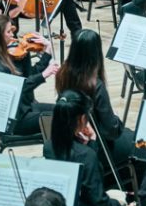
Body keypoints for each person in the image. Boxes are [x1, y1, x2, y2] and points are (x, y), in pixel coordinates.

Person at [43, 91, 138, 206]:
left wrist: (91, 142)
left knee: (118, 203)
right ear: (82, 119)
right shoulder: (86, 155)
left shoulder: (49, 146)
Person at [55, 30, 136, 169]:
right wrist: (116, 120)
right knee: (139, 144)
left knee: (129, 134)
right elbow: (111, 131)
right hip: (98, 146)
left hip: (74, 140)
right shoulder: (95, 85)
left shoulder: (62, 74)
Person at [0, 12, 57, 135]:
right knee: (64, 117)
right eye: (9, 32)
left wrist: (47, 52)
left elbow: (28, 77)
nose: (13, 35)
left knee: (66, 110)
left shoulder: (7, 54)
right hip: (15, 120)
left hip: (25, 108)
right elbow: (18, 89)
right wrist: (44, 75)